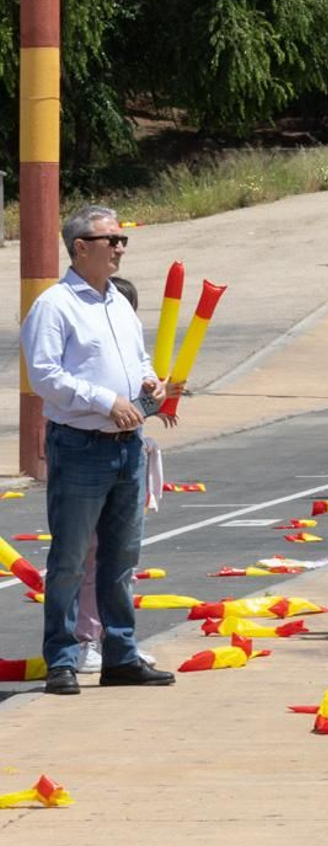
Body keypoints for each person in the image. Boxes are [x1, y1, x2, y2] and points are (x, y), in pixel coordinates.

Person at [21, 205, 177, 694]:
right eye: (110, 239)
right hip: (82, 443)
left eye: (123, 238)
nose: (120, 247)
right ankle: (63, 659)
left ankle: (120, 654)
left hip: (127, 445)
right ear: (80, 247)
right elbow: (44, 375)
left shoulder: (117, 303)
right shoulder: (55, 304)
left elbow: (137, 355)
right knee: (69, 558)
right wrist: (106, 400)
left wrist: (148, 380)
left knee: (121, 557)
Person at [75, 277, 171, 675]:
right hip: (86, 451)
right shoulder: (88, 340)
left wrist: (156, 394)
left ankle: (117, 643)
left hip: (128, 452)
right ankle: (82, 643)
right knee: (86, 554)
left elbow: (140, 397)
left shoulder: (130, 341)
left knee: (120, 557)